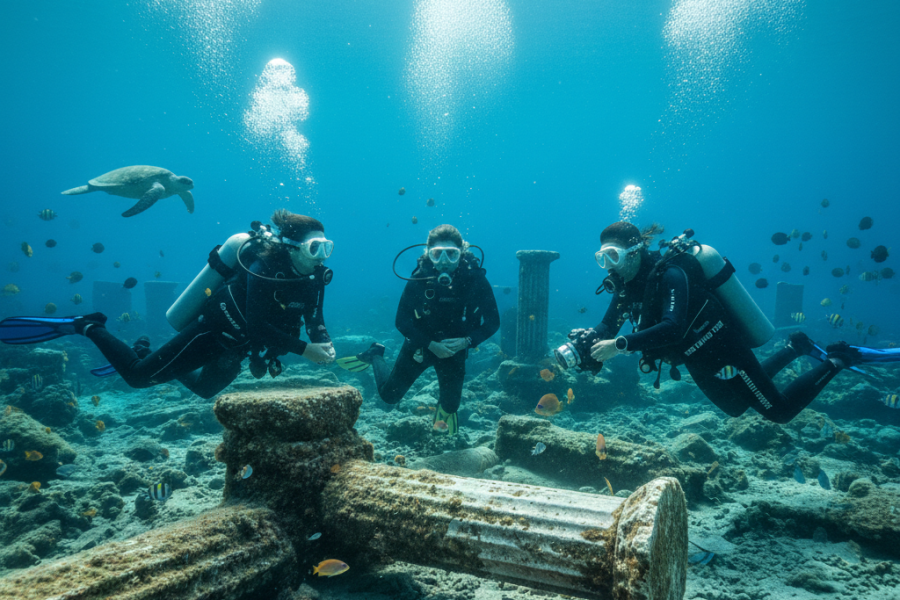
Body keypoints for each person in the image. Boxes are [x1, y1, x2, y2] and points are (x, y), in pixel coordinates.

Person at [0, 210, 336, 399]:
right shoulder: (262, 267)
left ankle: (147, 351)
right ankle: (89, 325)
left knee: (205, 389)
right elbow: (256, 325)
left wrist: (322, 339)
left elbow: (314, 315)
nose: (322, 258)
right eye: (315, 248)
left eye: (327, 248)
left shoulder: (313, 277)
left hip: (240, 347)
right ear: (291, 246)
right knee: (136, 378)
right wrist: (305, 350)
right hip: (213, 332)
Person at [565, 221, 862, 424]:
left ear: (634, 251)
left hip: (720, 344)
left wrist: (619, 345)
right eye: (602, 259)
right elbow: (607, 327)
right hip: (693, 354)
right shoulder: (625, 287)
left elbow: (673, 327)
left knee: (779, 412)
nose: (610, 266)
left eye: (613, 256)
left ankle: (837, 359)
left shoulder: (669, 274)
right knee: (735, 407)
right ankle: (795, 347)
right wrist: (586, 342)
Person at [342, 224, 499, 434]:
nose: (444, 261)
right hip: (420, 346)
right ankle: (375, 354)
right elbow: (401, 321)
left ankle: (442, 419)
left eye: (451, 254)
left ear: (462, 253)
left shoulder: (476, 279)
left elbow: (492, 322)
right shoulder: (420, 278)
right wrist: (430, 344)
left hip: (455, 350)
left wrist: (467, 341)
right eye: (437, 254)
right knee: (390, 397)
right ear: (429, 254)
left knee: (451, 406)